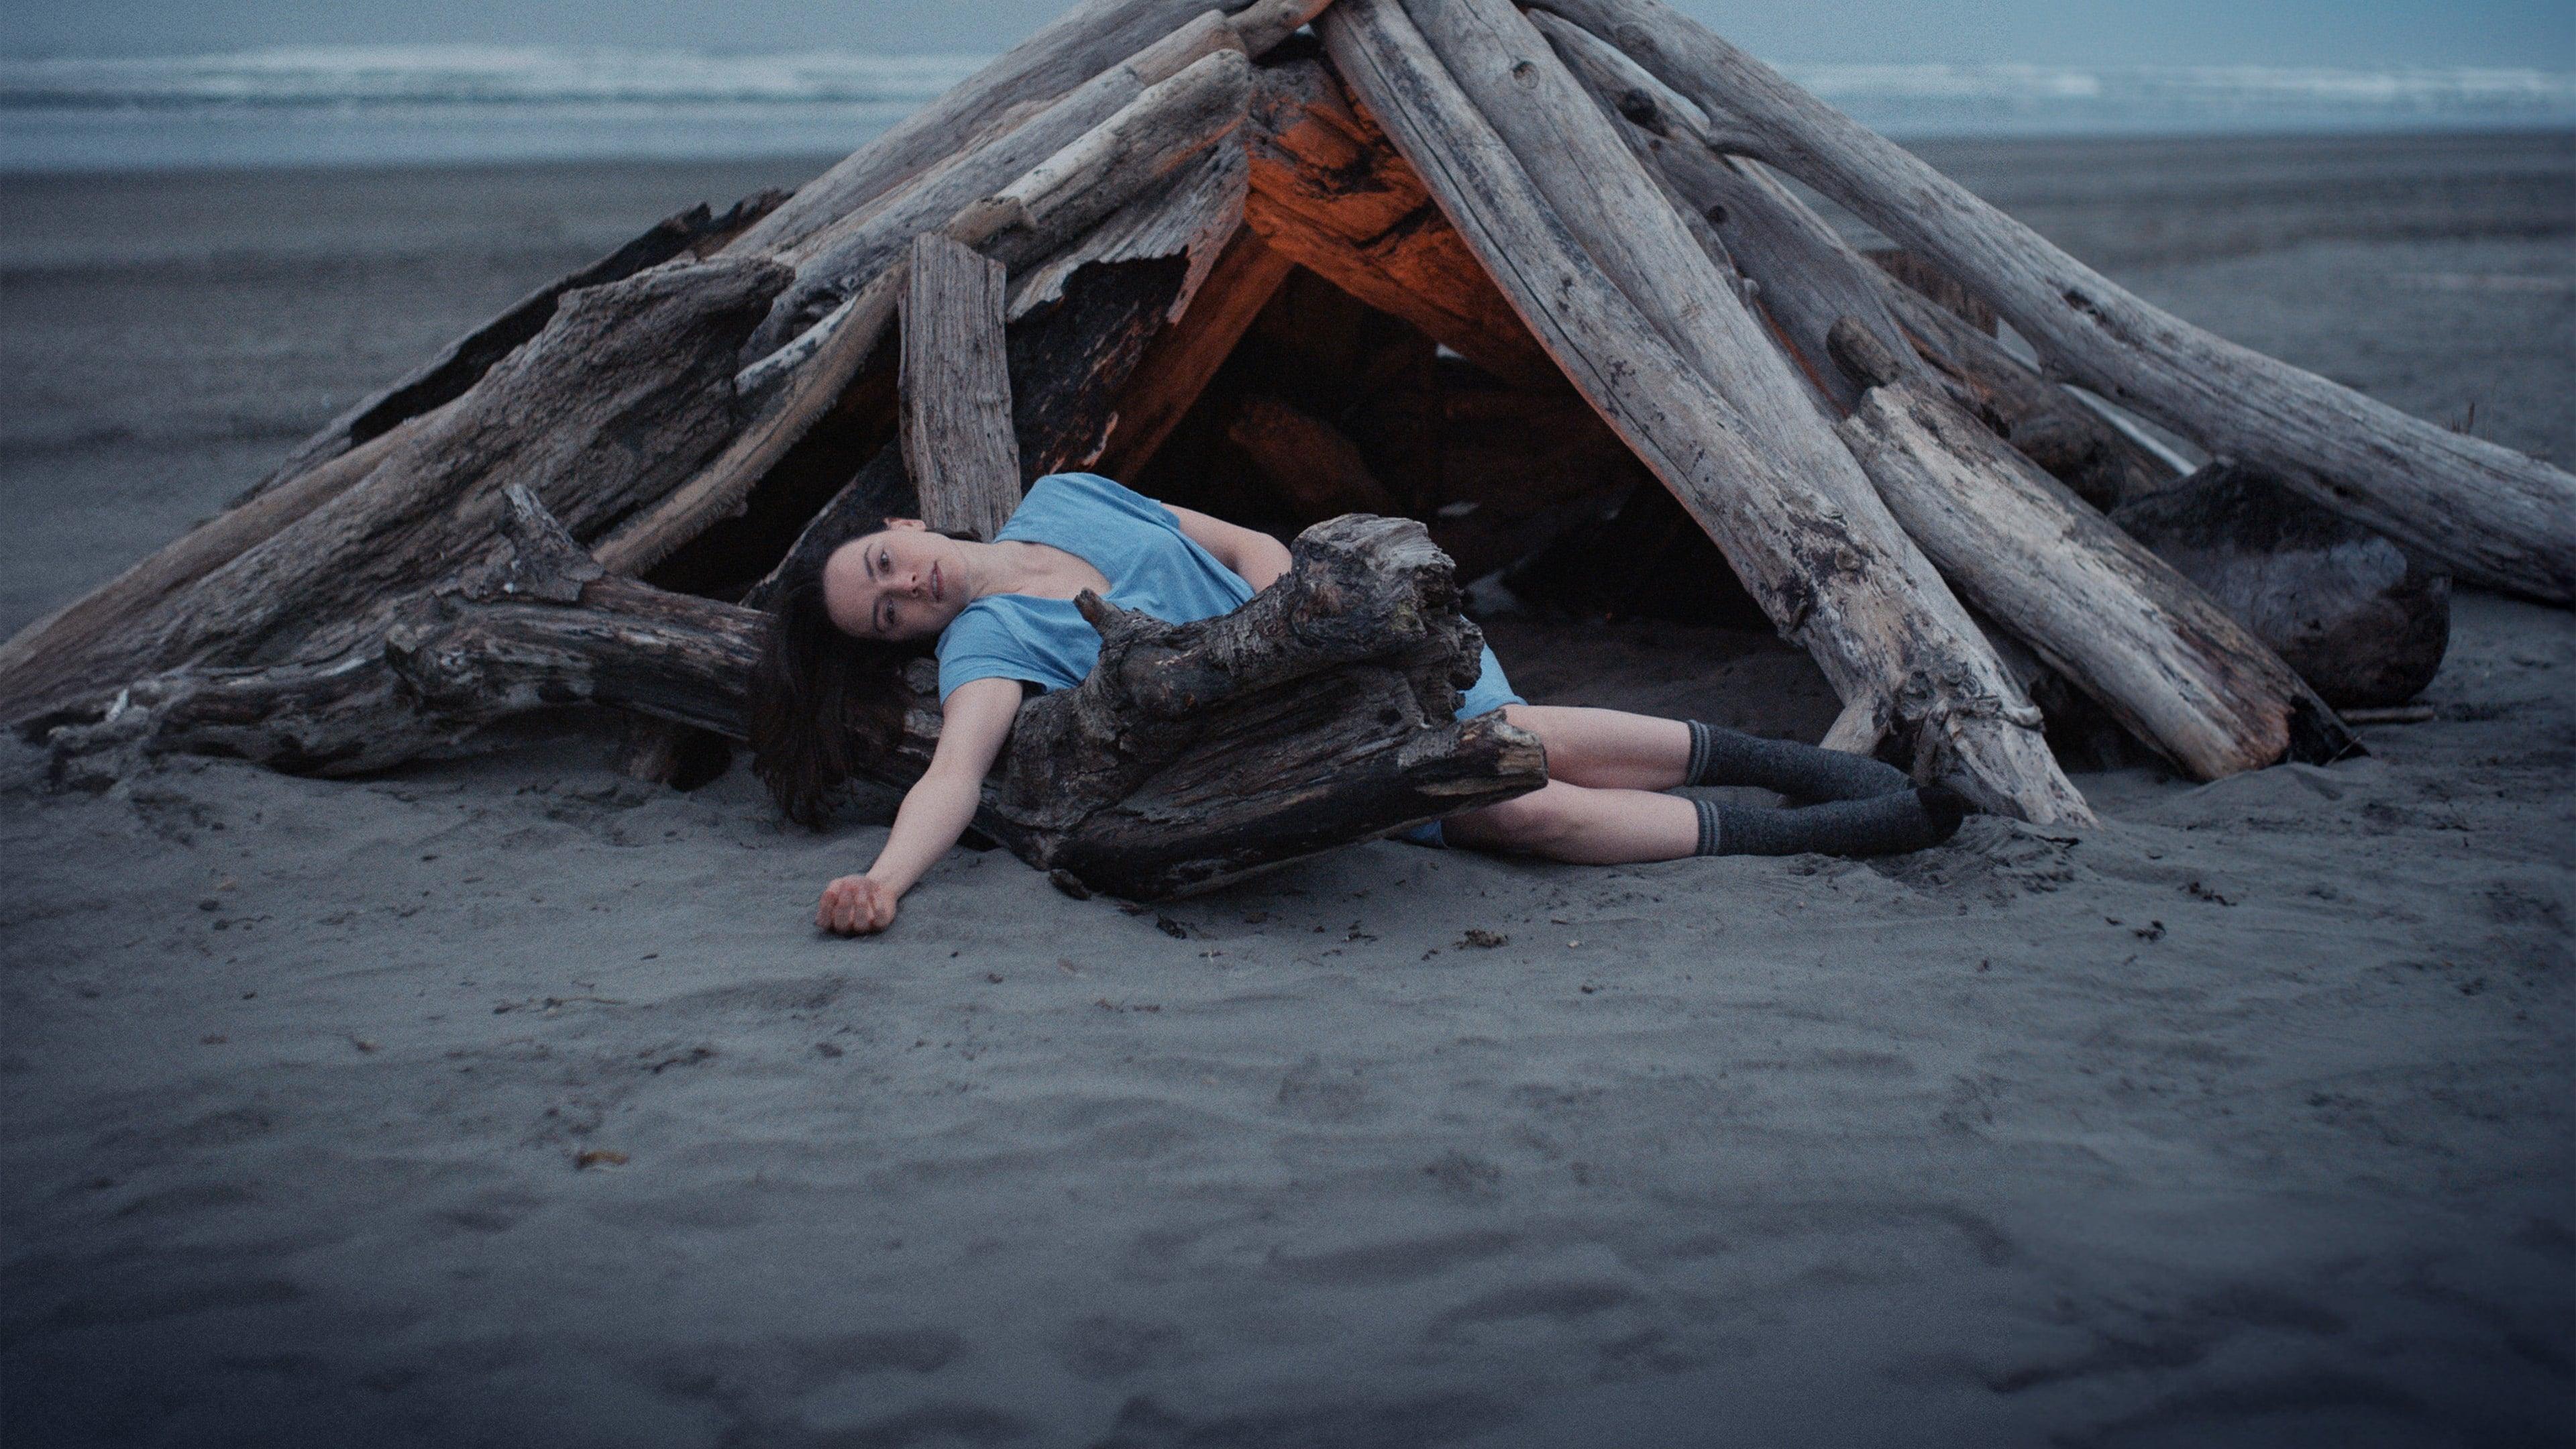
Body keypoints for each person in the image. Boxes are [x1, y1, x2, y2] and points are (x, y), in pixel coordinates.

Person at [749, 473, 1965, 936]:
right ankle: (1812, 823)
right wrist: (885, 884)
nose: (904, 590)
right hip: (1303, 744)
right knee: (1508, 805)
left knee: (1516, 730)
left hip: (1358, 648)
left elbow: (1239, 534)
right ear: (911, 646)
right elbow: (952, 779)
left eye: (881, 569)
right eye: (888, 618)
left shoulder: (1064, 498)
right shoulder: (989, 644)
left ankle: (1791, 768)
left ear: (898, 526)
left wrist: (1312, 627)